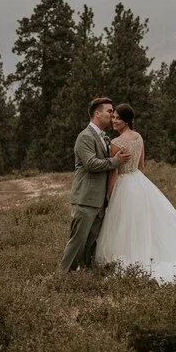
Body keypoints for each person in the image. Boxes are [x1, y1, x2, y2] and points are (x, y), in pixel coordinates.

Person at [96, 103, 176, 283]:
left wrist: (110, 195)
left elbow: (114, 172)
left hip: (124, 183)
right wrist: (137, 182)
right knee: (144, 222)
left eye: (118, 118)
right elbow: (141, 165)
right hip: (139, 182)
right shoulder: (138, 137)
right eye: (113, 117)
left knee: (126, 223)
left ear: (126, 121)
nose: (114, 121)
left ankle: (133, 255)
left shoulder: (116, 143)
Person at [58, 97, 131, 273]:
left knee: (92, 241)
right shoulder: (85, 137)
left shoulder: (103, 136)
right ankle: (61, 276)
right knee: (78, 240)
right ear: (97, 114)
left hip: (99, 199)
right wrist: (115, 161)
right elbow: (91, 164)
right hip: (85, 198)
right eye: (109, 111)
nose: (113, 115)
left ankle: (86, 273)